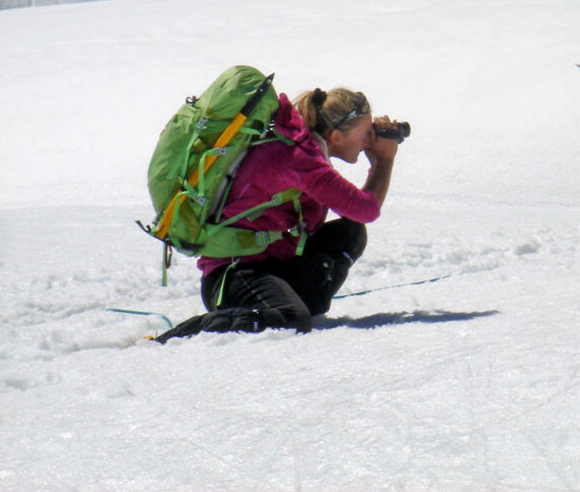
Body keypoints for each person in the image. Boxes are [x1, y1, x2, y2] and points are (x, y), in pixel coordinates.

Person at [155, 86, 400, 343]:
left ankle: (293, 304)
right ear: (336, 136)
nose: (370, 140)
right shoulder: (298, 158)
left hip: (276, 266)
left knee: (350, 233)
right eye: (366, 132)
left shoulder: (298, 146)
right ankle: (187, 333)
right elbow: (366, 208)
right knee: (291, 319)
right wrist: (384, 161)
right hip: (236, 275)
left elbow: (358, 215)